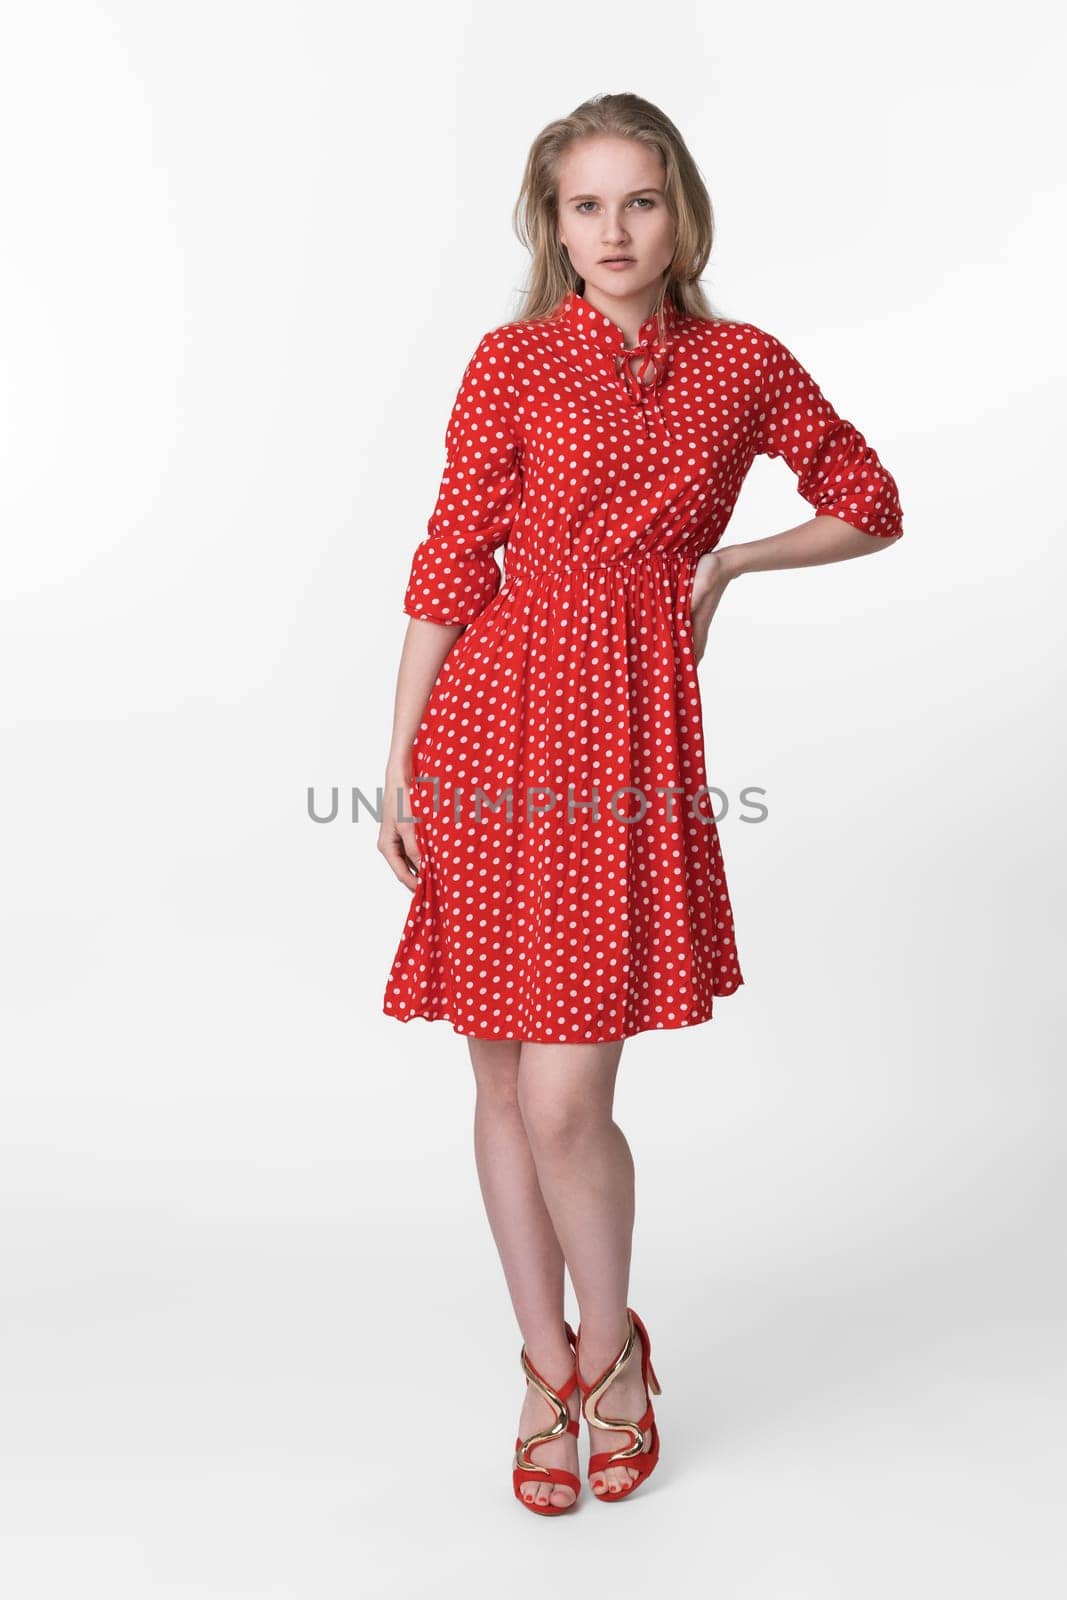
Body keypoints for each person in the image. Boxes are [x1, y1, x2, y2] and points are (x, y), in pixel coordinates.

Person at [378, 92, 903, 1514]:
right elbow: (449, 560)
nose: (614, 231)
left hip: (624, 737)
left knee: (565, 1099)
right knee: (498, 1079)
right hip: (488, 722)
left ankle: (616, 1356)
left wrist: (727, 565)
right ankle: (546, 1364)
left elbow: (870, 496)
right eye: (585, 205)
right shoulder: (513, 361)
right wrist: (398, 753)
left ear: (684, 214)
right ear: (552, 226)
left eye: (641, 201)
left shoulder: (742, 365)